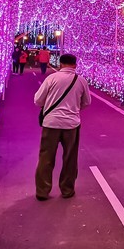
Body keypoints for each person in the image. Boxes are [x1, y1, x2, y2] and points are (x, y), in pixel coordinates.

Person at [34, 53, 91, 200]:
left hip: (51, 123)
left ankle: (42, 191)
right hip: (71, 124)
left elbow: (38, 100)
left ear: (60, 64)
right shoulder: (81, 81)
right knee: (70, 158)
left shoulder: (51, 78)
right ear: (75, 65)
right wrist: (73, 108)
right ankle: (67, 190)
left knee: (46, 157)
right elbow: (86, 102)